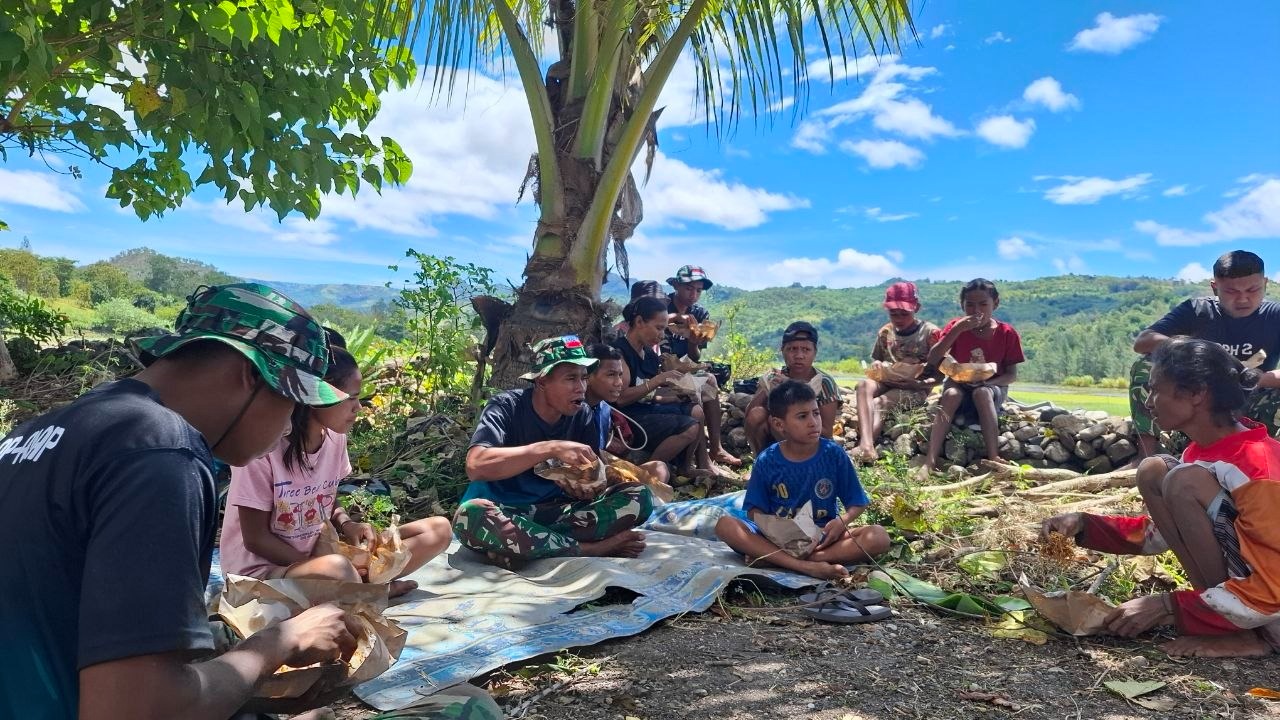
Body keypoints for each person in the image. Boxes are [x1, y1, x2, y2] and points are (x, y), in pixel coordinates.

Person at [0, 283, 364, 719]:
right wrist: (278, 643)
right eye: (290, 404)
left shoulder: (41, 432)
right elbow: (140, 709)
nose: (288, 425)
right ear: (250, 375)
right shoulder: (163, 452)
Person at [1041, 338, 1280, 658]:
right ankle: (1231, 622)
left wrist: (1168, 607)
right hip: (1257, 599)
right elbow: (1174, 531)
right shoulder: (1203, 452)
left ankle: (1247, 634)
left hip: (1270, 604)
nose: (1149, 401)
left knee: (1181, 479)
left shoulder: (1258, 467)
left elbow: (1273, 587)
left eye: (1155, 390)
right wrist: (1084, 525)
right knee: (1155, 470)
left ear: (1196, 394)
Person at [220, 344, 452, 597]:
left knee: (438, 530)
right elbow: (256, 539)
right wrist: (314, 560)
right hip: (263, 573)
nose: (358, 408)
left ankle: (357, 586)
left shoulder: (334, 437)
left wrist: (348, 524)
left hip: (318, 556)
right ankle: (367, 588)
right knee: (338, 570)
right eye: (351, 398)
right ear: (318, 397)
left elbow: (323, 499)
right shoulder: (264, 448)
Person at [452, 335, 655, 568]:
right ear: (541, 381)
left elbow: (585, 479)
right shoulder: (505, 407)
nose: (580, 388)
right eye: (570, 378)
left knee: (639, 496)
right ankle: (589, 549)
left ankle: (528, 545)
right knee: (470, 516)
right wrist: (550, 448)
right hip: (503, 511)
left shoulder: (583, 416)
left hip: (555, 515)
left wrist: (586, 488)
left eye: (584, 378)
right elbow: (476, 466)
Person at [716, 381, 889, 579]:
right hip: (777, 539)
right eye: (802, 416)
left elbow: (857, 503)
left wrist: (842, 521)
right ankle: (804, 566)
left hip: (823, 535)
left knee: (878, 537)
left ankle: (784, 560)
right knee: (725, 525)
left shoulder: (833, 455)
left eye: (815, 413)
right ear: (779, 424)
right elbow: (755, 511)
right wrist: (778, 529)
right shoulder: (767, 460)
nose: (813, 422)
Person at [1129, 250, 1280, 462]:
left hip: (1251, 400)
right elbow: (1143, 341)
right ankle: (1146, 455)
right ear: (1215, 287)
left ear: (1265, 283)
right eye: (1231, 291)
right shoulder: (1196, 310)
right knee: (1146, 364)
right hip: (1202, 403)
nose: (1243, 298)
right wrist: (1200, 350)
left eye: (1252, 289)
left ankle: (1271, 457)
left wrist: (1255, 377)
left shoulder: (1275, 315)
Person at [612, 296, 722, 478]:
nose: (661, 335)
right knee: (690, 427)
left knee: (696, 410)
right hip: (628, 418)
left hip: (646, 408)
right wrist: (658, 380)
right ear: (639, 322)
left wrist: (676, 396)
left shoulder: (648, 354)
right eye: (658, 328)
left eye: (664, 329)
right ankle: (646, 473)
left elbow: (650, 394)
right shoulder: (620, 352)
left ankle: (685, 468)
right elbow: (621, 398)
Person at [923, 278, 1025, 472]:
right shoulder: (956, 326)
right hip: (960, 382)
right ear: (962, 305)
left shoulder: (1006, 333)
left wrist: (988, 383)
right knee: (951, 395)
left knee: (982, 394)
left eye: (983, 304)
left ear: (995, 304)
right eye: (969, 304)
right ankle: (930, 461)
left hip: (991, 386)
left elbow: (1011, 375)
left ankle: (993, 455)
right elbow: (933, 357)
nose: (976, 310)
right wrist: (957, 330)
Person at [852, 282, 941, 463]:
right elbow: (877, 359)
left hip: (914, 388)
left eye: (904, 313)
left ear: (916, 308)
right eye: (893, 313)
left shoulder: (930, 334)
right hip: (887, 380)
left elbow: (941, 376)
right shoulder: (886, 332)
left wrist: (919, 384)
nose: (898, 318)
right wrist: (877, 364)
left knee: (877, 404)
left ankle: (865, 446)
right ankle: (866, 446)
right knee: (862, 385)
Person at [664, 264, 741, 467]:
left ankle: (716, 448)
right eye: (689, 288)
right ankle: (700, 458)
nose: (694, 294)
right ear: (676, 286)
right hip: (660, 368)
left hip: (684, 367)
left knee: (710, 380)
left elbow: (694, 356)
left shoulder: (699, 313)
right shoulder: (663, 307)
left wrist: (693, 341)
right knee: (697, 390)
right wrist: (673, 319)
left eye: (698, 290)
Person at [585, 343, 683, 485]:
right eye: (611, 375)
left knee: (659, 469)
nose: (619, 382)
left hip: (603, 473)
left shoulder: (604, 410)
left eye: (620, 375)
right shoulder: (576, 410)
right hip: (586, 479)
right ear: (587, 377)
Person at [745, 321, 843, 454]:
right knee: (759, 415)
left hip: (815, 445)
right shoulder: (775, 376)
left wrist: (792, 387)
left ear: (815, 352)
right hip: (777, 440)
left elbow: (826, 431)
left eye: (806, 350)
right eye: (792, 349)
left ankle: (800, 466)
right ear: (782, 351)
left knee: (779, 423)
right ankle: (762, 463)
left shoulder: (824, 382)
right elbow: (750, 416)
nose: (799, 356)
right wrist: (767, 389)